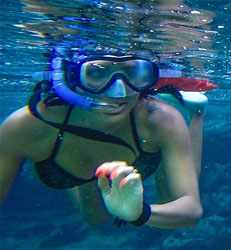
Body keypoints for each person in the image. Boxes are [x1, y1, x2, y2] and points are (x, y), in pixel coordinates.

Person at [0, 47, 214, 229]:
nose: (119, 91)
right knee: (96, 219)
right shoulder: (26, 126)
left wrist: (140, 213)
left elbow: (190, 209)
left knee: (168, 201)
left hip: (145, 139)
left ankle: (196, 114)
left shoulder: (158, 120)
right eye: (96, 73)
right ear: (70, 76)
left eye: (134, 73)